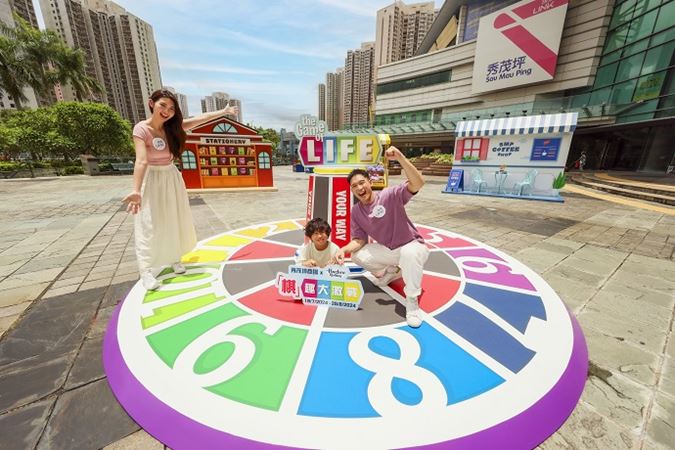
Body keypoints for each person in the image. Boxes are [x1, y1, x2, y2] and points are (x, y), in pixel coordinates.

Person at [123, 89, 238, 290]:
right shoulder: (141, 129)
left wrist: (224, 111)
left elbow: (201, 118)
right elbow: (141, 160)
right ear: (151, 104)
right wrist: (136, 190)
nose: (167, 111)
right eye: (163, 105)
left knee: (173, 218)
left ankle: (174, 258)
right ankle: (146, 270)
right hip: (151, 178)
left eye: (171, 108)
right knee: (148, 223)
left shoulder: (173, 128)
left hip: (171, 176)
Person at [334, 146, 429, 328]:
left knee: (409, 254)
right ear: (352, 190)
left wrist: (400, 157)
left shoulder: (389, 195)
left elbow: (418, 183)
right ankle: (392, 271)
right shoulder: (356, 211)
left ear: (370, 182)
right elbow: (359, 240)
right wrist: (343, 250)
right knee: (357, 255)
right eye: (354, 186)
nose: (359, 188)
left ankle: (412, 302)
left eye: (362, 182)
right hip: (390, 250)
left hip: (413, 246)